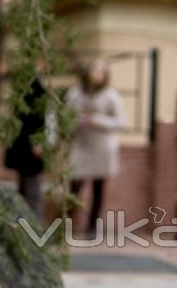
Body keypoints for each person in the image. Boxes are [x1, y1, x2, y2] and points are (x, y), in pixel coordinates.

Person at [65, 58, 126, 235]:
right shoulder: (75, 93)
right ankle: (66, 225)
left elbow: (121, 122)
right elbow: (66, 115)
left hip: (102, 146)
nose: (97, 74)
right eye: (95, 70)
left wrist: (97, 120)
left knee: (98, 187)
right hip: (81, 144)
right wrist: (75, 122)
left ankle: (92, 227)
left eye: (101, 71)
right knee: (75, 184)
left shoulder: (110, 95)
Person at [4, 77, 47, 218]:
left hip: (28, 145)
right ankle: (25, 224)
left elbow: (41, 117)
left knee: (31, 189)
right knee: (26, 189)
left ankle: (34, 226)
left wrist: (39, 141)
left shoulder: (33, 89)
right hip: (24, 145)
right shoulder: (25, 88)